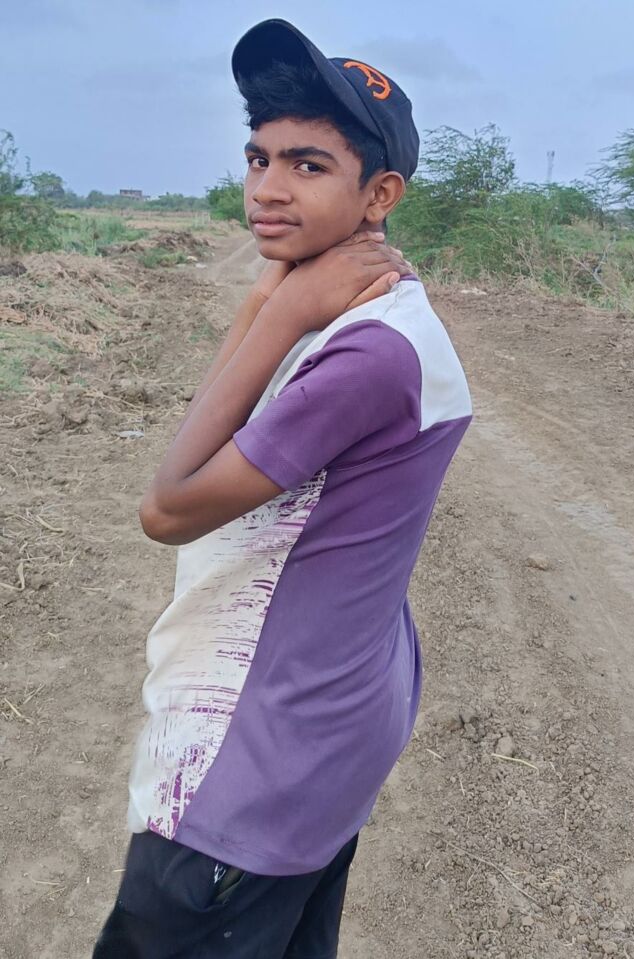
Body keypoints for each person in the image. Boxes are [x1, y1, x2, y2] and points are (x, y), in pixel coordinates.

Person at [93, 17, 472, 959]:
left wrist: (278, 305)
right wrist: (273, 298)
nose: (267, 187)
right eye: (258, 157)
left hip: (258, 760)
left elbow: (168, 505)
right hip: (332, 720)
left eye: (308, 164)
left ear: (380, 194)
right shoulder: (386, 314)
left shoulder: (367, 351)